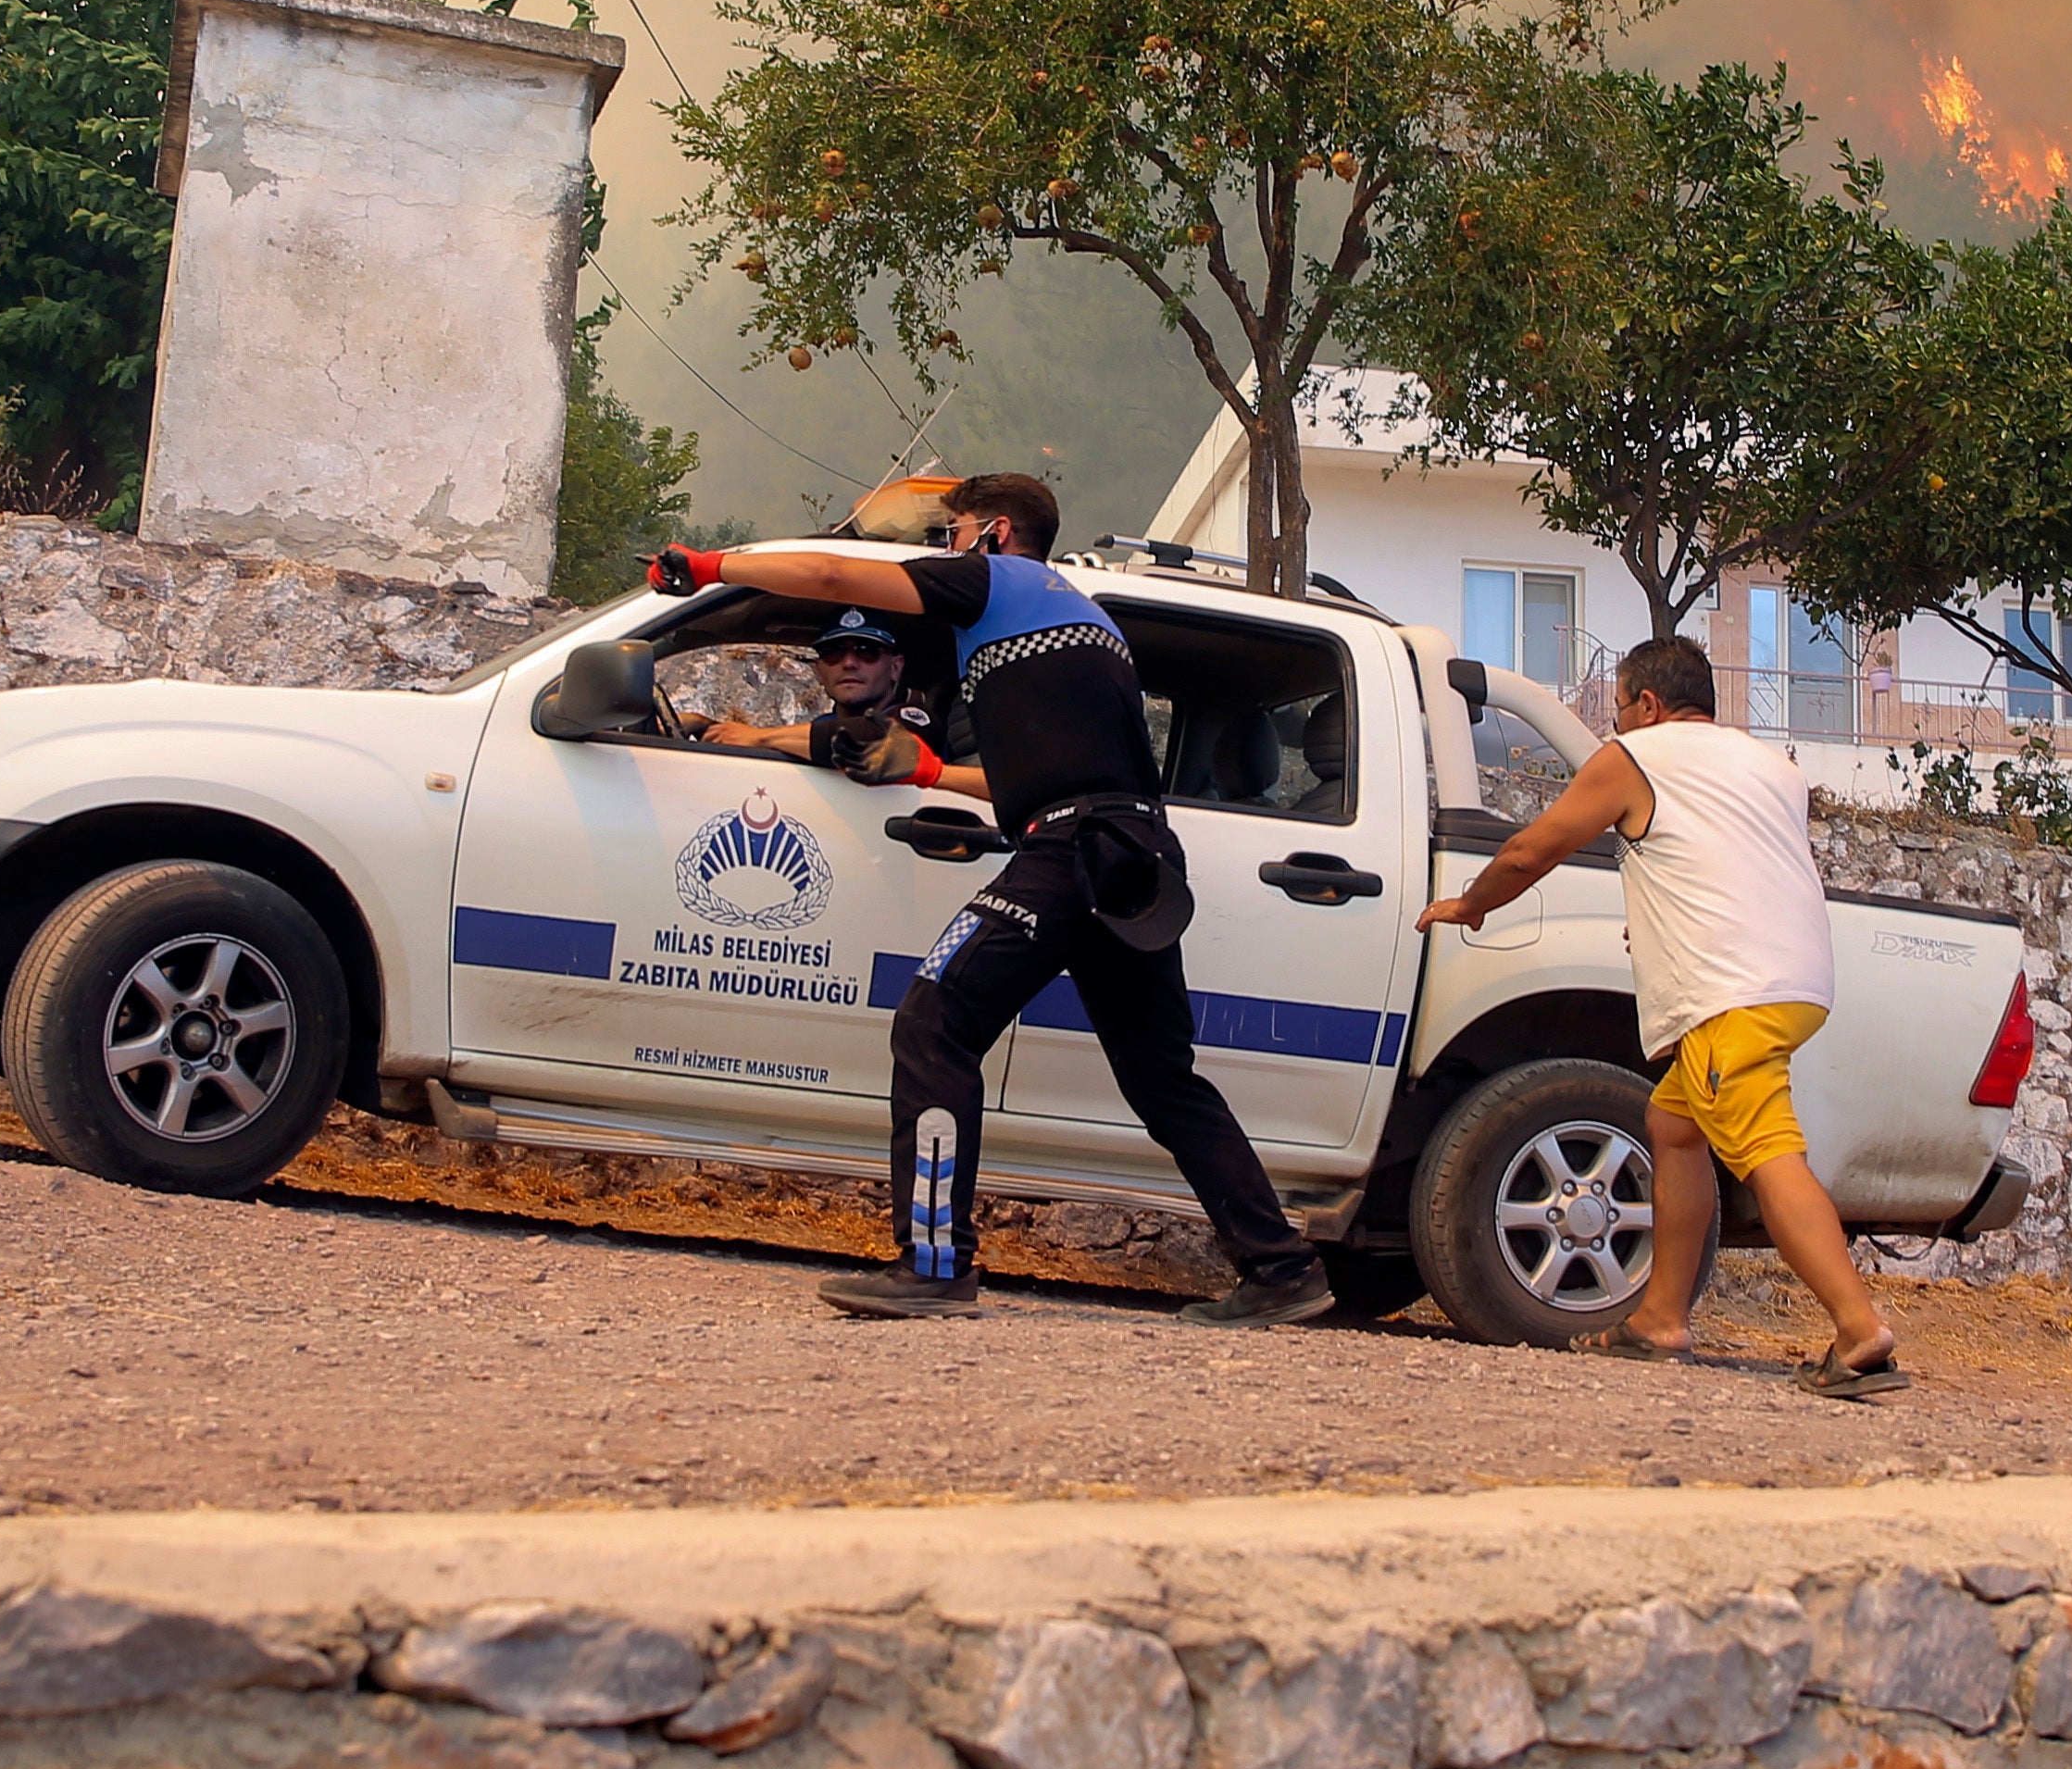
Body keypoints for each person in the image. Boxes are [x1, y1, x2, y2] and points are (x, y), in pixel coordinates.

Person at [650, 473, 1329, 1327]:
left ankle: (934, 1265)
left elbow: (831, 576)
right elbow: (1041, 771)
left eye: (951, 533)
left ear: (993, 532)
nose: (940, 553)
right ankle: (1281, 1268)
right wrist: (932, 772)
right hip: (1129, 853)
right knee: (1164, 1079)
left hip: (1071, 851)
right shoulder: (1083, 620)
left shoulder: (995, 580)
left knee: (935, 1020)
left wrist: (710, 564)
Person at [1418, 630, 1898, 1398]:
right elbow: (1725, 864)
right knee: (1676, 1128)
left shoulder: (1638, 758)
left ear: (1648, 703)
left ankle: (1858, 1329)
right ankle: (1660, 1319)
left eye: (1618, 710)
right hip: (1795, 982)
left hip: (1726, 993)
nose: (1613, 726)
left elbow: (1530, 851)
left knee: (1769, 1149)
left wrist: (1471, 905)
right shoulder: (1771, 766)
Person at [697, 605, 950, 776]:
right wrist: (705, 727)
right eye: (834, 652)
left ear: (895, 668)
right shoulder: (822, 725)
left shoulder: (916, 718)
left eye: (867, 651)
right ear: (819, 669)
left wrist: (759, 736)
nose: (849, 663)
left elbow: (871, 739)